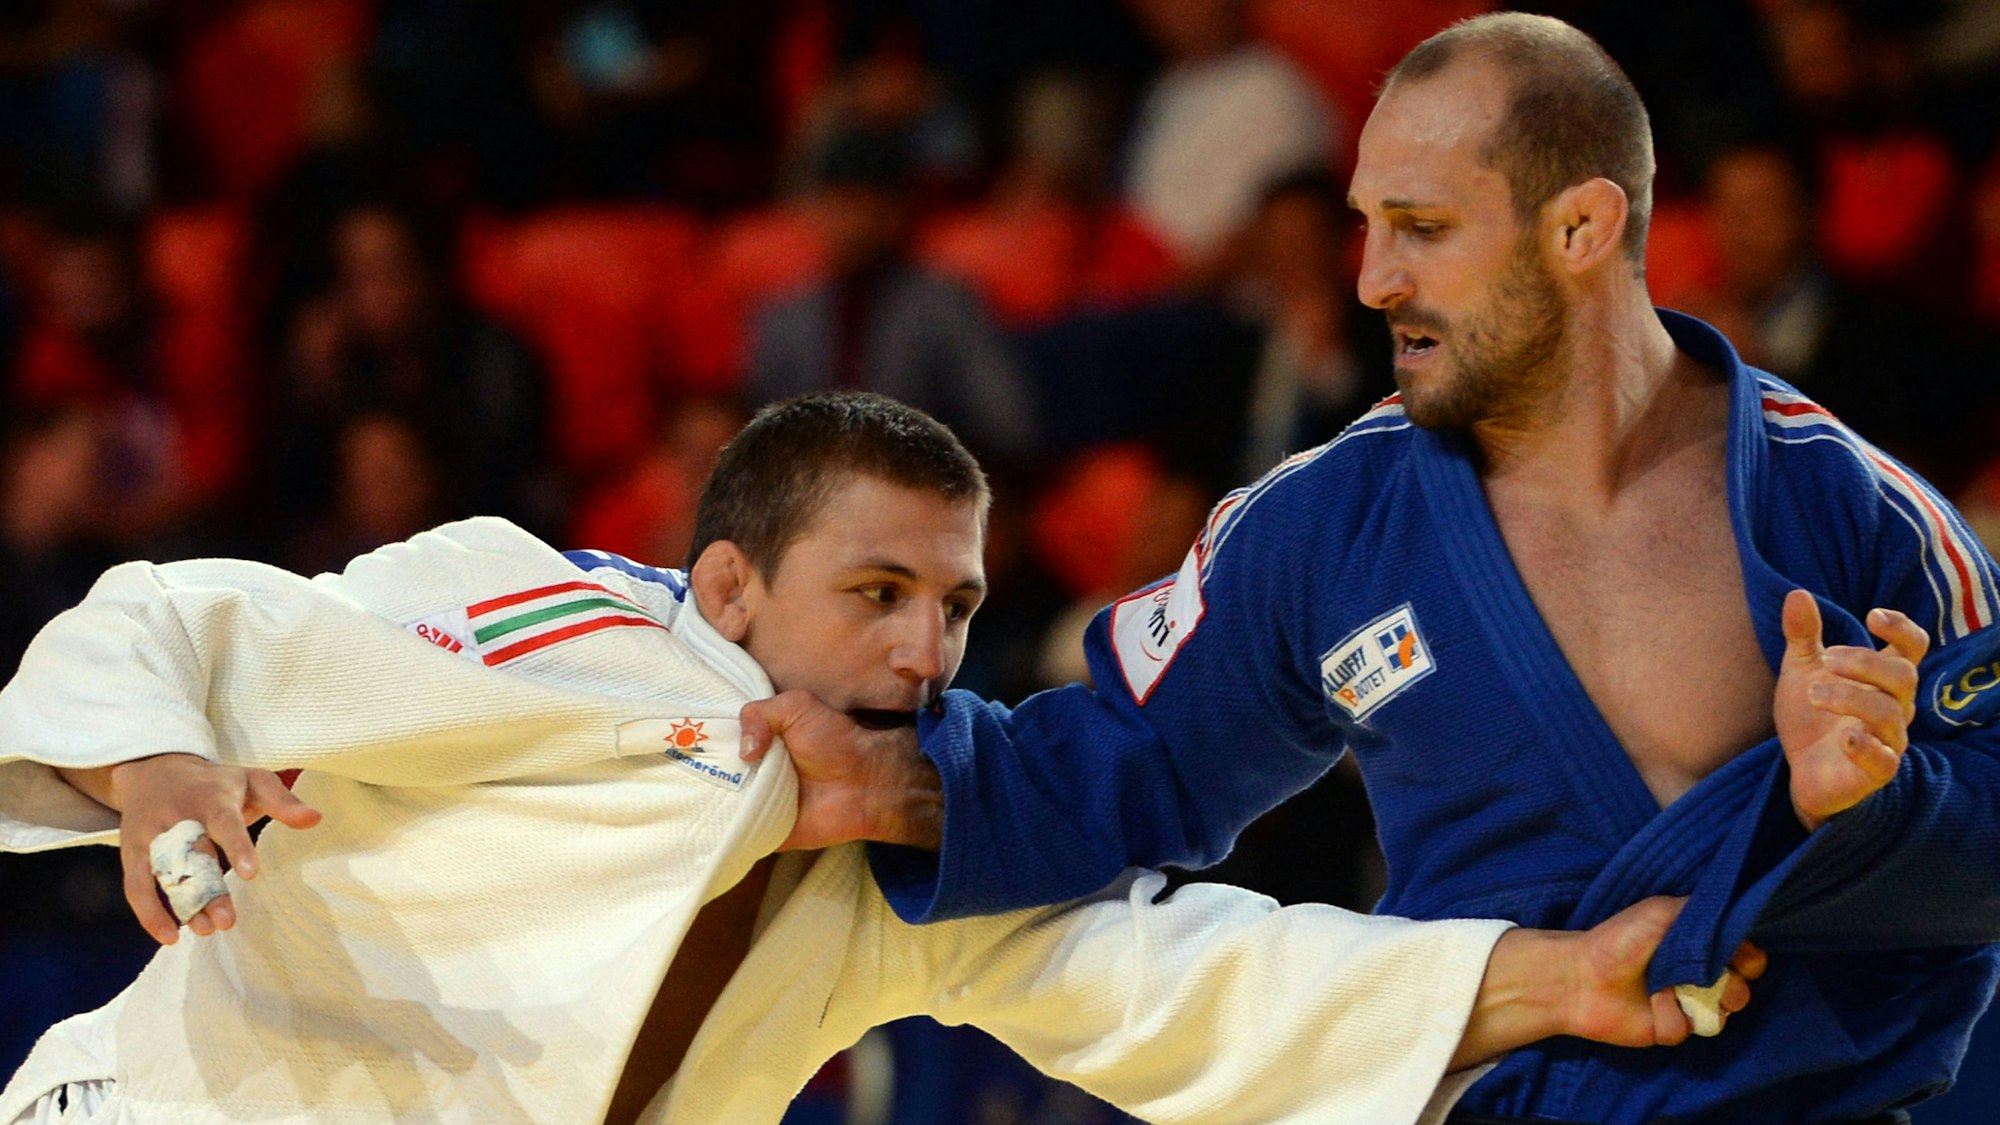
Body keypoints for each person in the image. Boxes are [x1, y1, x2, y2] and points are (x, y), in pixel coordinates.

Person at [741, 15, 1998, 1125]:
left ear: (1580, 225)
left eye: (1421, 228)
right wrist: (904, 786)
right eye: (1365, 226)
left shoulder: (1856, 514)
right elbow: (1130, 762)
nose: (1369, 279)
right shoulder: (1324, 525)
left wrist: (1872, 811)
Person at [0, 394, 1753, 1125]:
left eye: (962, 604)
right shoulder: (539, 615)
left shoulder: (909, 853)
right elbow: (182, 619)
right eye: (881, 593)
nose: (929, 648)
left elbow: (1182, 977)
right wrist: (149, 772)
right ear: (734, 586)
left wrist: (1549, 982)